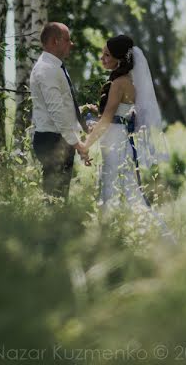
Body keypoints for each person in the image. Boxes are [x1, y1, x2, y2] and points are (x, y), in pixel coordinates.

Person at [82, 35, 173, 238]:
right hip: (117, 137)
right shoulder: (126, 82)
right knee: (123, 187)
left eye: (107, 54)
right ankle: (118, 234)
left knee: (119, 189)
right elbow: (116, 116)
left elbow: (107, 119)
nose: (102, 58)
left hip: (115, 140)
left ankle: (116, 234)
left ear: (120, 59)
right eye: (102, 53)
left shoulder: (119, 84)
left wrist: (85, 144)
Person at [29, 22, 89, 200]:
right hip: (52, 140)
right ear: (55, 41)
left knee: (59, 197)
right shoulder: (46, 69)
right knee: (54, 199)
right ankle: (51, 227)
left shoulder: (55, 67)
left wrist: (81, 117)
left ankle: (55, 226)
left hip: (58, 138)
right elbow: (56, 111)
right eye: (67, 39)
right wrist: (77, 143)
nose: (71, 44)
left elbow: (61, 106)